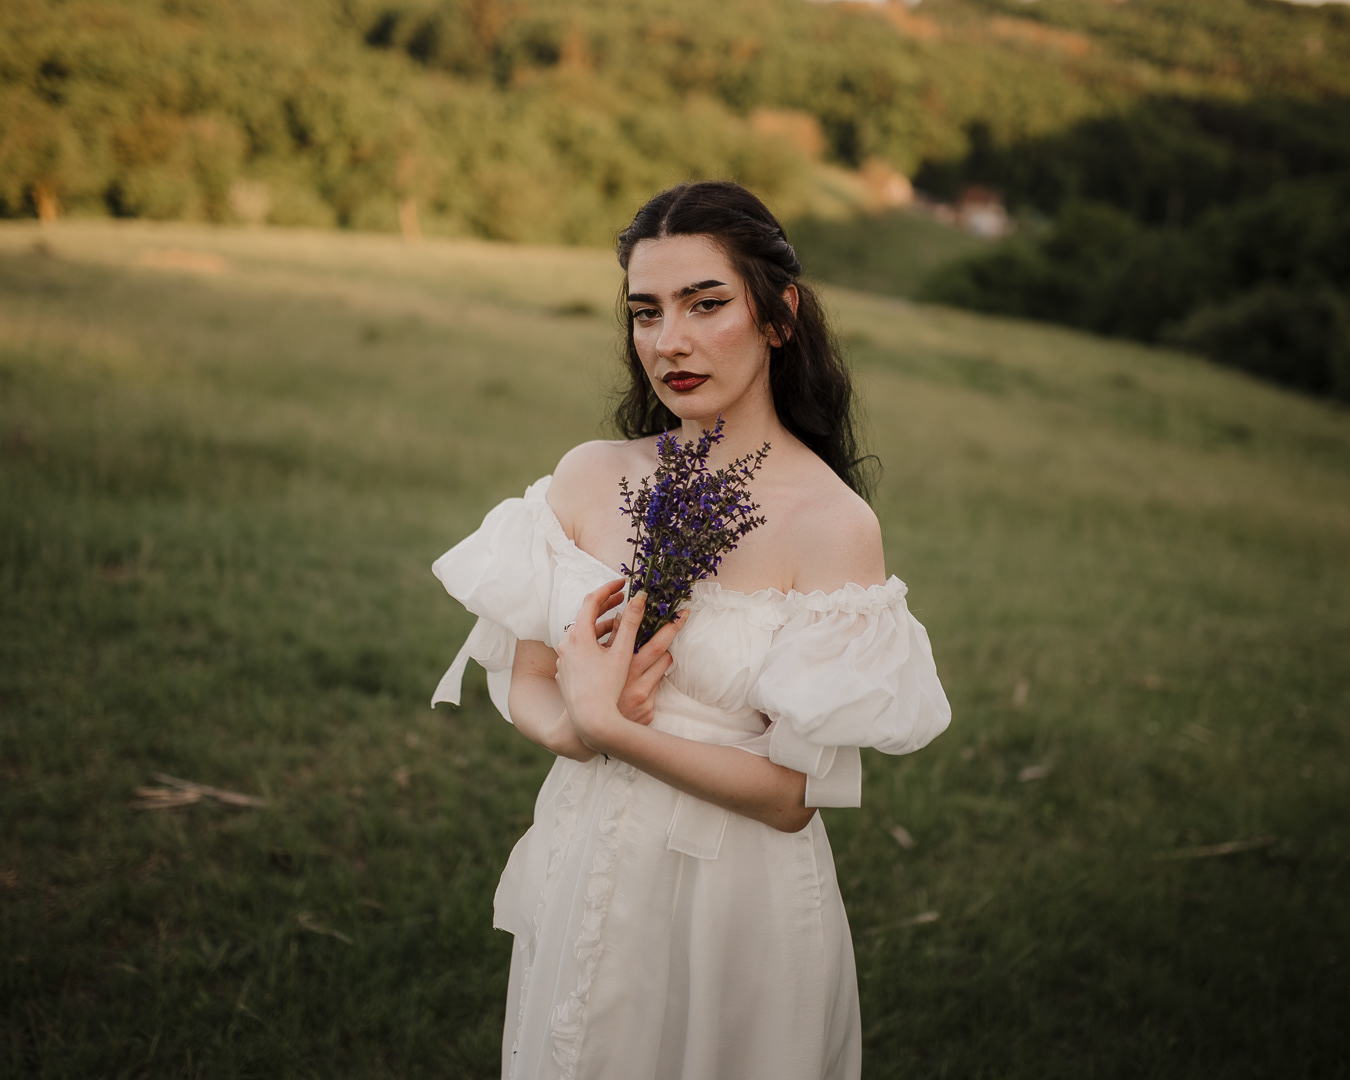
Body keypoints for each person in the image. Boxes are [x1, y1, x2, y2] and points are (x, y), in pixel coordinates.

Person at [432, 180, 950, 1080]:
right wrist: (573, 731)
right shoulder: (590, 477)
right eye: (646, 312)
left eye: (705, 304)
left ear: (778, 316)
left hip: (732, 900)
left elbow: (792, 797)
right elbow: (531, 676)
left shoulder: (832, 524)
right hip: (585, 855)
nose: (668, 340)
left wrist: (610, 727)